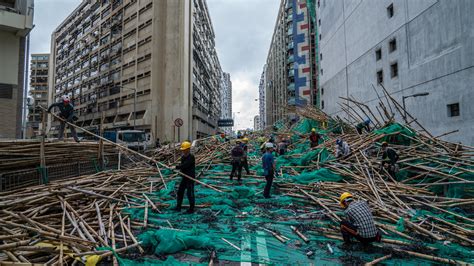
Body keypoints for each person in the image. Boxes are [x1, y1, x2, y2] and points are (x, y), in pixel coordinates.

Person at [174, 141, 196, 214]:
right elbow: (182, 166)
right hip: (184, 177)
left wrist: (176, 167)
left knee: (190, 193)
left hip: (190, 177)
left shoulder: (191, 157)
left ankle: (191, 209)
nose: (183, 151)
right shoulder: (183, 157)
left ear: (188, 149)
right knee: (180, 192)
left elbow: (185, 165)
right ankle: (178, 207)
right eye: (183, 150)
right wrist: (180, 171)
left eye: (185, 150)